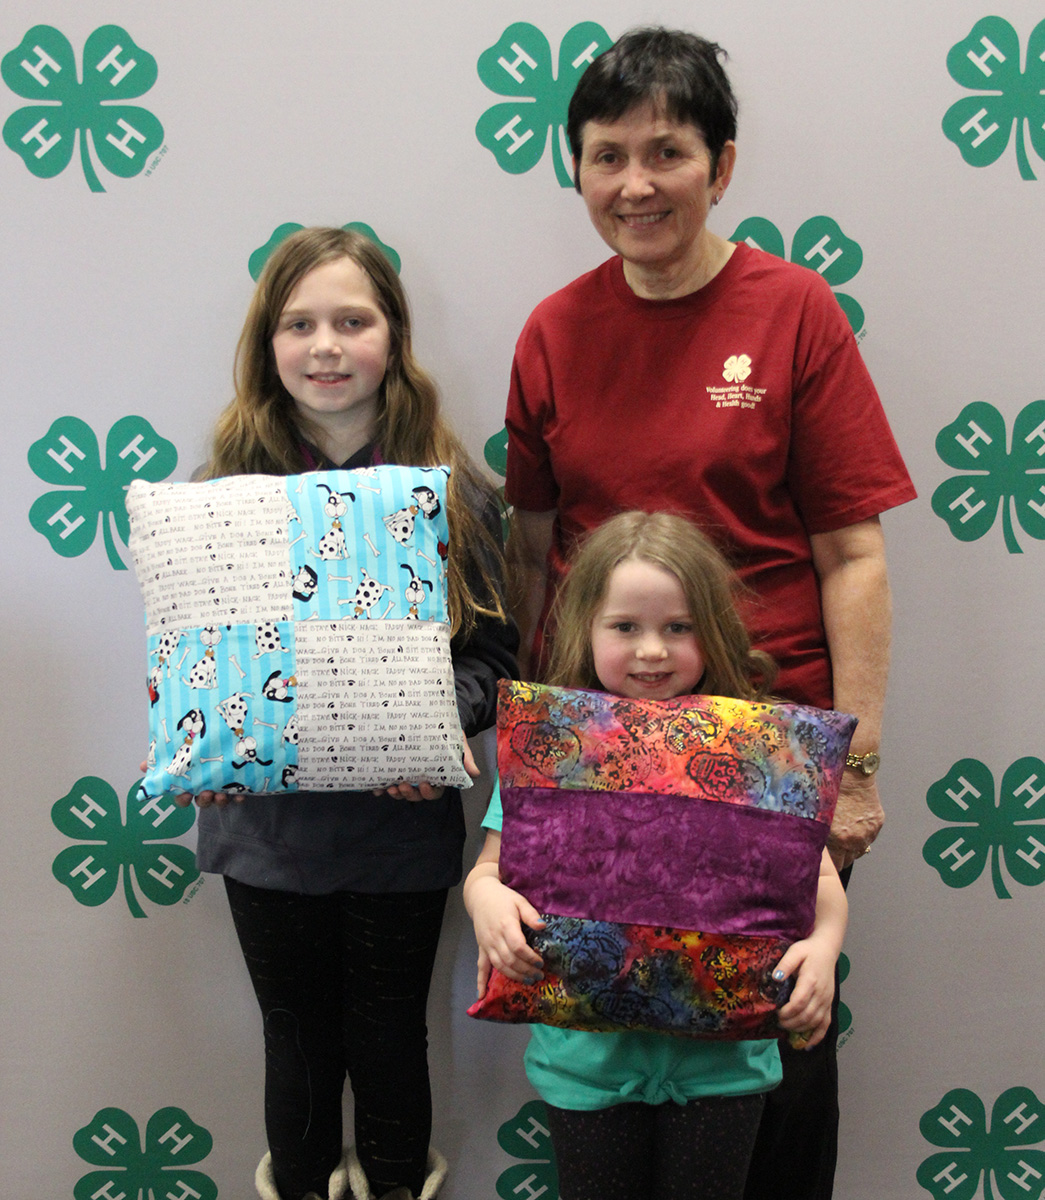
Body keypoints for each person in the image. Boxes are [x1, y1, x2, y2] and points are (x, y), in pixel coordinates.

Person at [502, 27, 916, 1197]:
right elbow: (533, 555)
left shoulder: (794, 312)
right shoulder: (552, 331)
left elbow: (852, 555)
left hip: (771, 757)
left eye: (666, 152)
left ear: (720, 166)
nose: (635, 185)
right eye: (607, 156)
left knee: (781, 1034)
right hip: (605, 760)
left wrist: (855, 768)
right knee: (608, 1037)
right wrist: (529, 758)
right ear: (578, 170)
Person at [178, 227, 517, 1200]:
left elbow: (494, 661)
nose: (325, 346)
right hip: (265, 832)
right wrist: (202, 732)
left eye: (352, 321)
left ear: (393, 338)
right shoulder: (221, 496)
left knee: (388, 1035)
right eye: (299, 324)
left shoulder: (457, 495)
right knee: (293, 1041)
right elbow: (197, 664)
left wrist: (428, 725)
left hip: (394, 829)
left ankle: (398, 1186)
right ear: (267, 344)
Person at [465, 511, 848, 1200]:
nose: (651, 650)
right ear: (584, 627)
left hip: (722, 1071)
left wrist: (822, 947)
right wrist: (486, 899)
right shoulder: (553, 749)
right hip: (587, 1067)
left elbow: (815, 878)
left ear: (713, 630)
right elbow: (490, 868)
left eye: (678, 627)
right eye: (624, 627)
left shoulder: (761, 749)